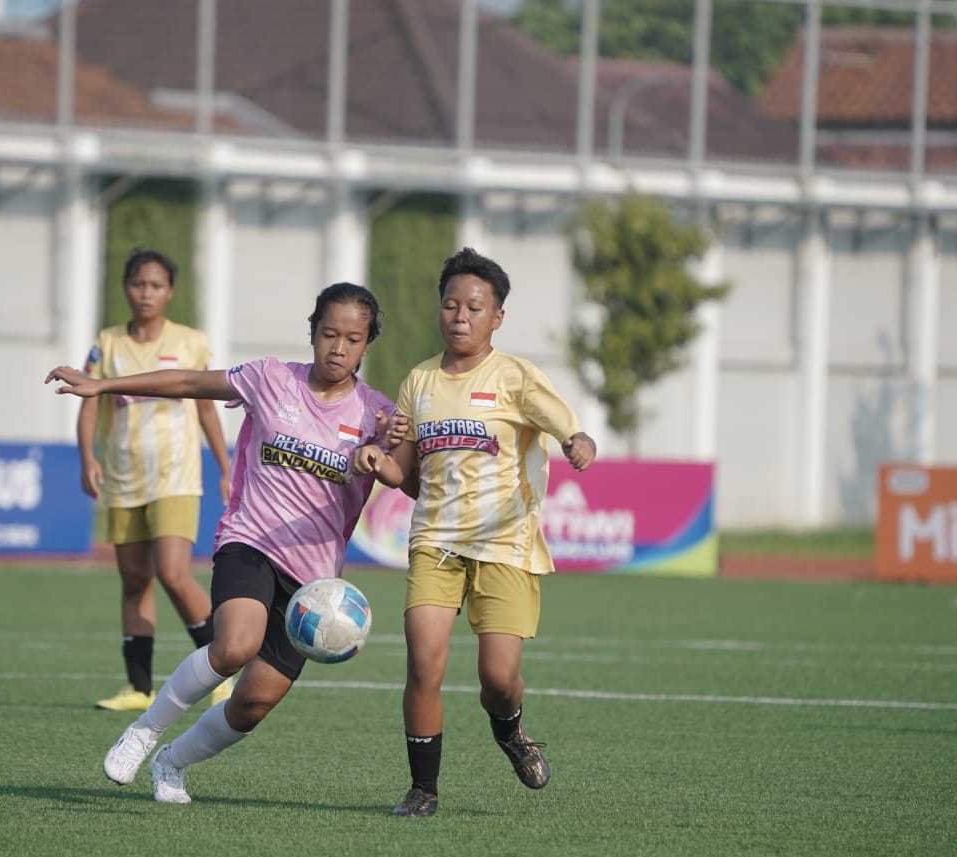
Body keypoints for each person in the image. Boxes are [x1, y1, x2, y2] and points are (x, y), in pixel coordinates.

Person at [46, 281, 399, 804]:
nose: (338, 347)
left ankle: (173, 763)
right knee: (235, 644)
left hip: (314, 584)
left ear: (368, 344)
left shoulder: (378, 415)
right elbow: (188, 379)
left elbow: (402, 477)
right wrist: (102, 386)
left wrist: (381, 458)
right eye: (329, 334)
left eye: (353, 338)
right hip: (250, 541)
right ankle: (145, 731)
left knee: (255, 702)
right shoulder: (270, 379)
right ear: (312, 333)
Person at [359, 247, 598, 818]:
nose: (460, 316)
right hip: (435, 541)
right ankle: (423, 789)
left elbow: (563, 423)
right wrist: (377, 458)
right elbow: (405, 472)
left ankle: (510, 729)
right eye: (450, 304)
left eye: (474, 306)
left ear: (497, 317)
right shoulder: (418, 380)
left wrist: (576, 441)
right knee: (424, 664)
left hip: (504, 543)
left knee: (498, 677)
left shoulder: (514, 376)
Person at [74, 248, 232, 712]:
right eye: (138, 284)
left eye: (156, 285)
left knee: (173, 572)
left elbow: (206, 407)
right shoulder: (107, 343)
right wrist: (87, 457)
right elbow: (89, 404)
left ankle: (220, 671)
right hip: (124, 478)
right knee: (133, 580)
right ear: (126, 287)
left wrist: (225, 467)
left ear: (171, 291)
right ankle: (138, 688)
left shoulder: (190, 342)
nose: (146, 293)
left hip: (176, 476)